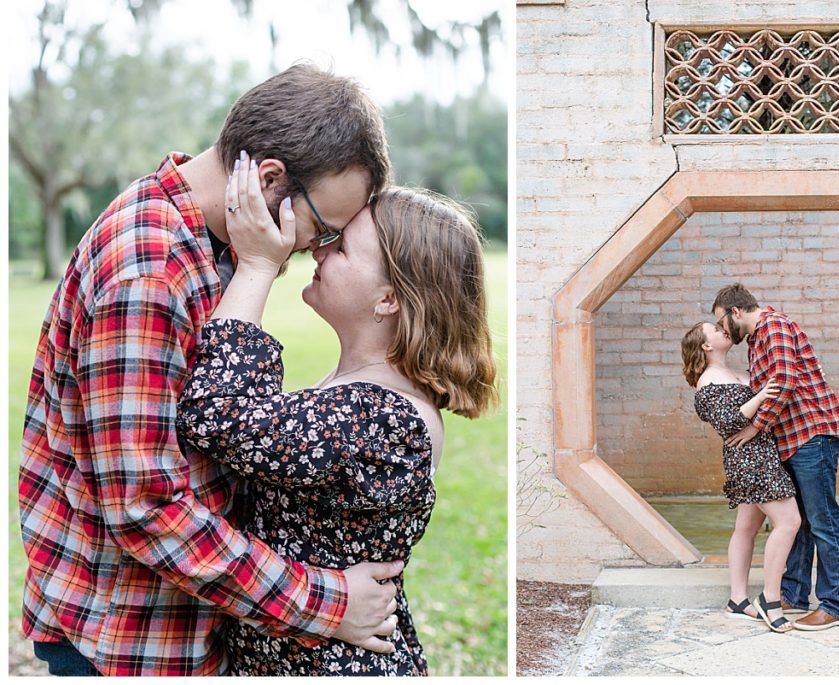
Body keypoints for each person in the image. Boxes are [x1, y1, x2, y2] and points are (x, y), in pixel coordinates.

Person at [18, 65, 404, 676]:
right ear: (270, 177)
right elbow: (147, 508)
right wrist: (325, 604)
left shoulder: (211, 244)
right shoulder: (148, 273)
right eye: (323, 227)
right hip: (128, 641)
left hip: (180, 622)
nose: (317, 249)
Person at [176, 160, 498, 675]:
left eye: (341, 246)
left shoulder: (382, 418)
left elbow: (218, 414)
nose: (319, 247)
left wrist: (258, 266)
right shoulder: (361, 395)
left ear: (389, 298)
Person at [711, 283, 839, 631]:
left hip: (812, 436)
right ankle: (794, 593)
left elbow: (785, 381)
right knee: (798, 523)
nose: (723, 329)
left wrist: (755, 427)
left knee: (823, 522)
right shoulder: (758, 339)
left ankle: (833, 605)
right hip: (792, 441)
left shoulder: (773, 326)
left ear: (737, 311)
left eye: (721, 321)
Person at [682, 321, 801, 633]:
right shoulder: (707, 381)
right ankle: (771, 600)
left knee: (746, 527)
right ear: (705, 345)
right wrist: (761, 395)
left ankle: (737, 599)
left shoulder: (736, 370)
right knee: (789, 522)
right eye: (714, 330)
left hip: (763, 450)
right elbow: (728, 423)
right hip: (749, 458)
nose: (723, 330)